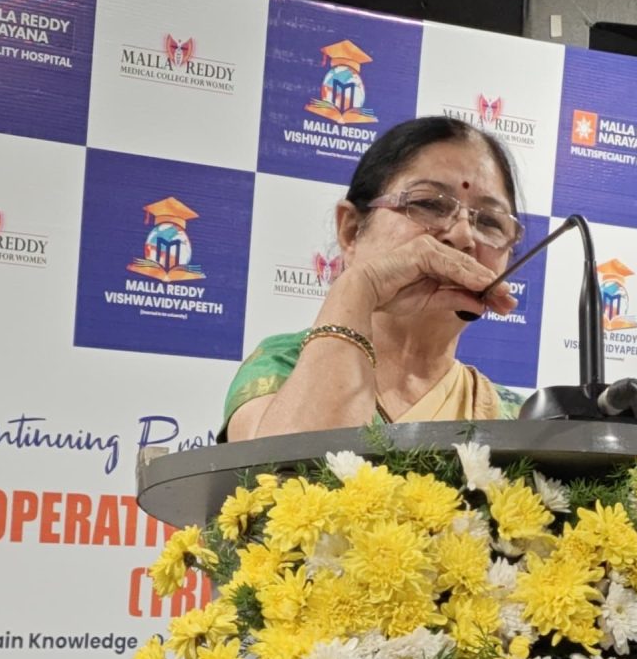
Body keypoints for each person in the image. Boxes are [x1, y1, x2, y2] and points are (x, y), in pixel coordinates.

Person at [223, 116, 527, 439]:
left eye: (490, 222)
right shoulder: (283, 366)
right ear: (351, 230)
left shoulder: (518, 420)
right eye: (427, 204)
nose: (464, 235)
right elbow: (290, 466)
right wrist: (358, 287)